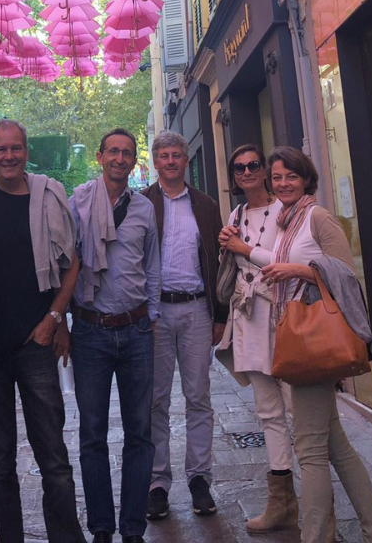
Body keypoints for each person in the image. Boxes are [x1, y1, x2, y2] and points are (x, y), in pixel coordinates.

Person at [0, 119, 86, 543]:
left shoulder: (49, 198)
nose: (9, 156)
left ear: (26, 152)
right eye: (1, 149)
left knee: (55, 459)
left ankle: (66, 538)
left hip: (36, 344)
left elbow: (73, 264)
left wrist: (54, 320)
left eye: (16, 148)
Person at [261, 146, 372, 543]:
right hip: (300, 342)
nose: (283, 183)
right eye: (277, 177)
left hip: (313, 344)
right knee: (338, 448)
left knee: (311, 452)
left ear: (307, 180)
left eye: (291, 177)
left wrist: (298, 269)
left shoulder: (317, 216)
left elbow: (347, 275)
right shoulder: (286, 221)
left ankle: (315, 537)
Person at [70, 128, 161, 543]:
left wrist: (152, 317)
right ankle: (102, 528)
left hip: (137, 330)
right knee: (92, 434)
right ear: (99, 155)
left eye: (127, 153)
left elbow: (153, 267)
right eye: (113, 151)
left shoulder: (144, 209)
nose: (119, 159)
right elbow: (65, 258)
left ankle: (133, 528)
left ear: (133, 160)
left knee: (139, 434)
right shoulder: (78, 203)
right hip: (90, 332)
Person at [142, 131, 226, 521]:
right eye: (164, 155)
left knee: (198, 398)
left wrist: (220, 314)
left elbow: (221, 264)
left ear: (186, 161)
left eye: (177, 155)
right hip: (156, 314)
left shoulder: (206, 206)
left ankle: (199, 480)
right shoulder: (141, 204)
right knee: (155, 400)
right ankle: (158, 483)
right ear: (156, 162)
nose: (171, 161)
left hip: (196, 311)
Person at [217, 144, 295, 534]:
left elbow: (288, 259)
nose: (246, 172)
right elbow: (234, 265)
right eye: (239, 168)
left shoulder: (286, 209)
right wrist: (226, 245)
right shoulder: (235, 214)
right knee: (268, 411)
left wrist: (244, 249)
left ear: (264, 170)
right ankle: (281, 499)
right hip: (249, 318)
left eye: (252, 165)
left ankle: (317, 496)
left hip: (283, 317)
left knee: (299, 407)